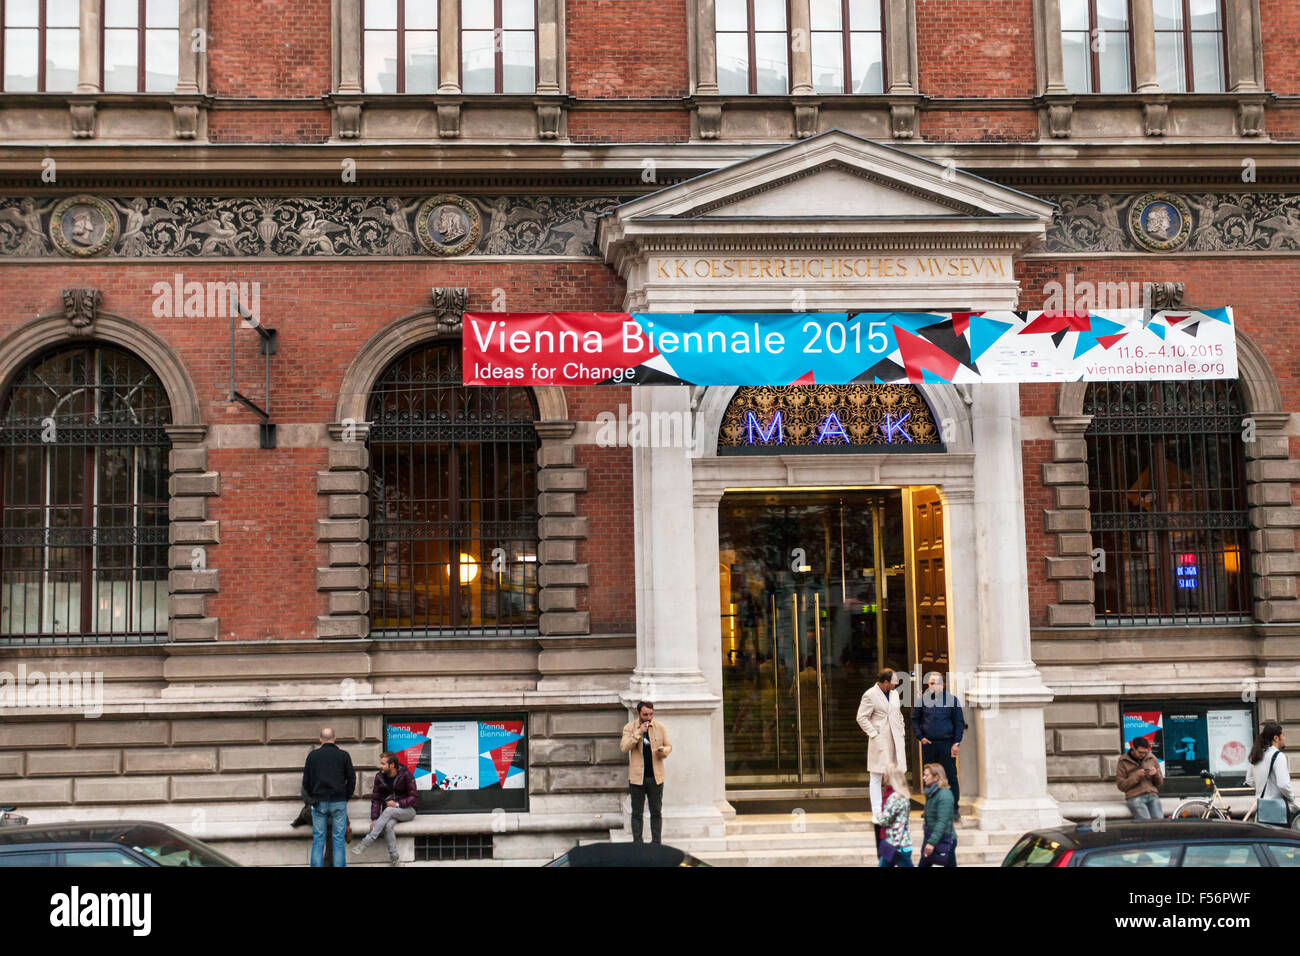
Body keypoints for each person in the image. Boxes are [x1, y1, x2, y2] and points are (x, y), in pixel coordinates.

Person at [856, 668, 907, 845]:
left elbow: (898, 713)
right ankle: (877, 811)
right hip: (880, 740)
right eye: (893, 682)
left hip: (895, 739)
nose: (895, 685)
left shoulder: (893, 694)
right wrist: (874, 733)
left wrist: (902, 729)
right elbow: (861, 717)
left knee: (895, 774)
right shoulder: (870, 695)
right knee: (876, 776)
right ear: (885, 682)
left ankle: (893, 809)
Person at [911, 671, 966, 817]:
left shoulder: (952, 700)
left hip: (947, 744)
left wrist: (956, 743)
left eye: (934, 683)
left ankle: (954, 808)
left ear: (942, 685)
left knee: (950, 776)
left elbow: (959, 723)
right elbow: (915, 719)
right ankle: (930, 808)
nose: (931, 686)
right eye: (929, 683)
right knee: (929, 776)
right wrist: (920, 736)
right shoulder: (922, 700)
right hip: (929, 744)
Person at [302, 727, 356, 867]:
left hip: (319, 802)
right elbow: (352, 779)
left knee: (318, 840)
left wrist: (311, 800)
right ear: (335, 738)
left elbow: (305, 782)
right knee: (338, 841)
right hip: (338, 801)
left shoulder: (312, 756)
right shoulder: (344, 755)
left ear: (320, 739)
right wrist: (346, 796)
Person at [619, 701, 672, 844]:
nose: (649, 717)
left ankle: (656, 844)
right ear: (639, 714)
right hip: (637, 778)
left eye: (651, 714)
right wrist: (638, 732)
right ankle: (638, 844)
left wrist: (663, 752)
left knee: (656, 812)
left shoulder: (660, 727)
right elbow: (624, 747)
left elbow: (668, 746)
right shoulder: (630, 728)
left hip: (656, 777)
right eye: (645, 714)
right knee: (637, 813)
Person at [352, 751, 418, 865]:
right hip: (391, 813)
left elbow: (414, 797)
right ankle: (394, 858)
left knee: (389, 810)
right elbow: (376, 799)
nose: (380, 766)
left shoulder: (406, 775)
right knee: (387, 826)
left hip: (408, 810)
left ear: (391, 765)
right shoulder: (380, 777)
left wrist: (397, 804)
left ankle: (367, 841)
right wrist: (374, 819)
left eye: (383, 764)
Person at [1246, 722, 1295, 820]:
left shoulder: (1257, 755)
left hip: (1261, 809)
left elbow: (1249, 780)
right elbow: (1283, 784)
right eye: (1283, 735)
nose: (1284, 738)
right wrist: (1291, 798)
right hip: (1277, 812)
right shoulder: (1278, 756)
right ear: (1276, 738)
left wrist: (1263, 785)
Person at [1116, 736, 1164, 821]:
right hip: (1135, 797)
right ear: (1133, 748)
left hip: (1152, 795)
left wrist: (1155, 774)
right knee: (1145, 822)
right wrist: (1136, 776)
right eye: (1140, 752)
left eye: (1145, 752)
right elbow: (1121, 786)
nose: (1143, 755)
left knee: (1159, 821)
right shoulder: (1123, 761)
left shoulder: (1152, 758)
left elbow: (1159, 783)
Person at [919, 763, 957, 867]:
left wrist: (932, 842)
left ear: (936, 777)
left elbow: (942, 821)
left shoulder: (944, 795)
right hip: (932, 835)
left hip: (944, 838)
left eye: (927, 775)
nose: (923, 778)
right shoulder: (932, 792)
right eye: (924, 775)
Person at [876, 764, 913, 867]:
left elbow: (885, 820)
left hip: (895, 844)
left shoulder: (895, 797)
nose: (884, 777)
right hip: (903, 842)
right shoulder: (903, 795)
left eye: (885, 775)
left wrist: (878, 815)